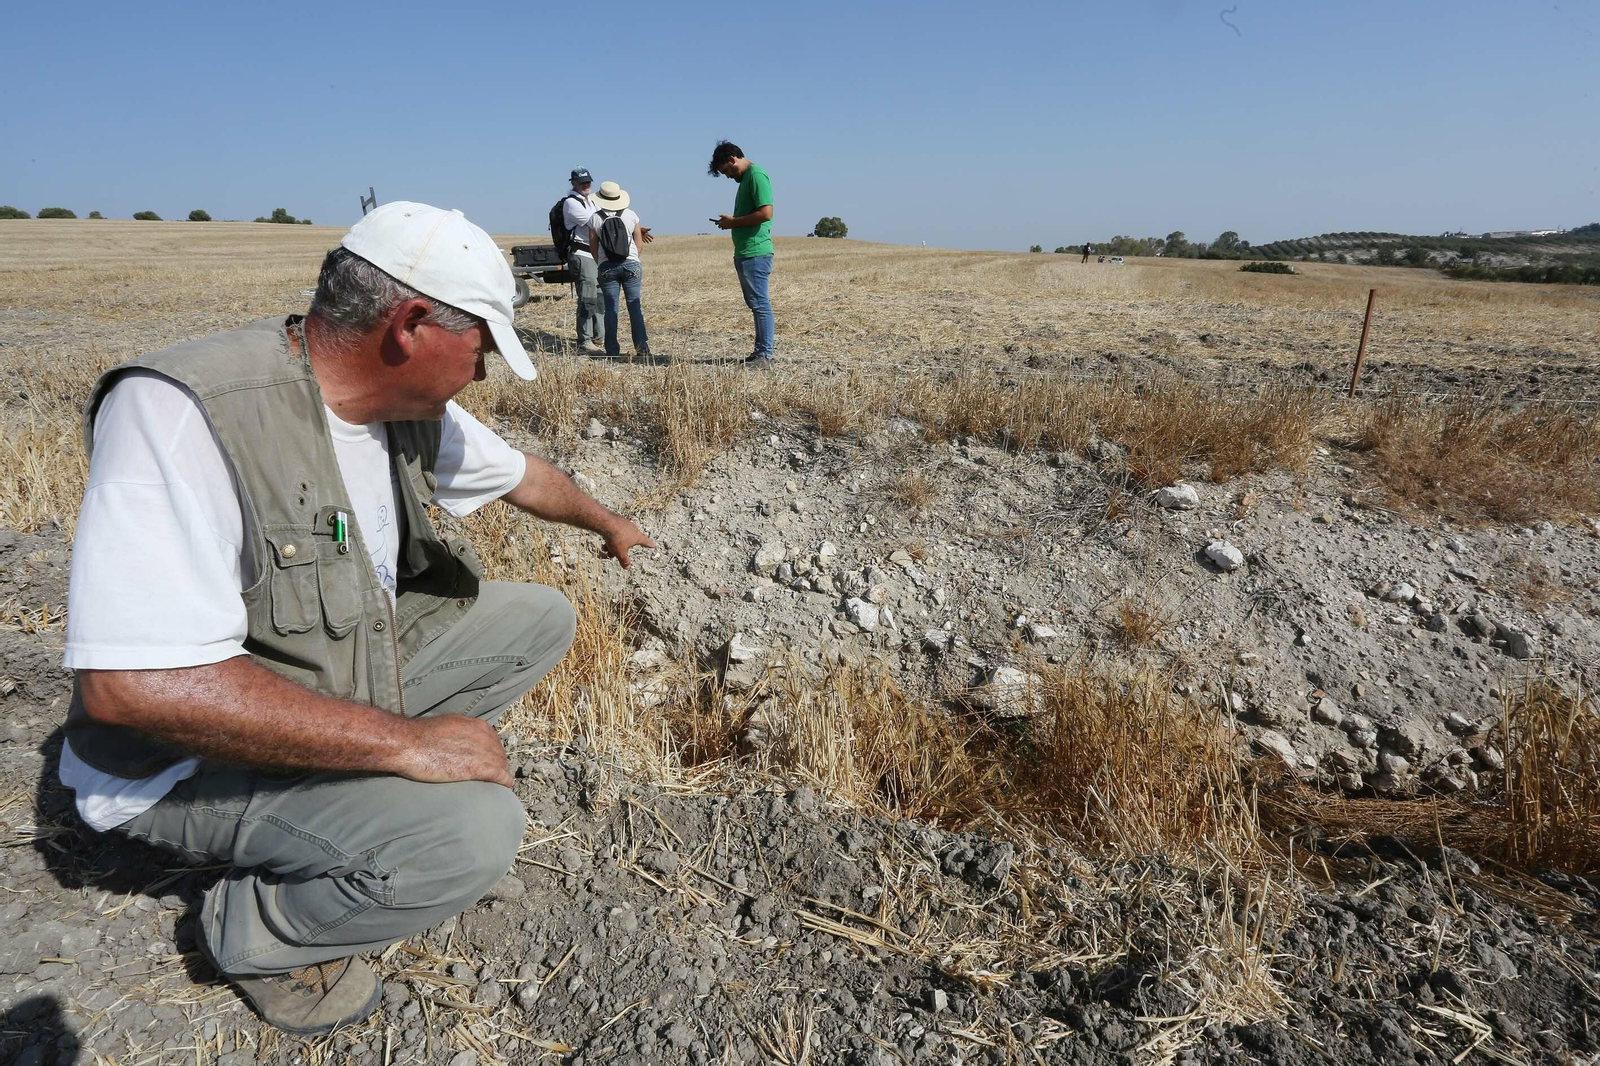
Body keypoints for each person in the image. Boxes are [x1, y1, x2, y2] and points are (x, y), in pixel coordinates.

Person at [58, 201, 657, 1035]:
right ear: (410, 325)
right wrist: (409, 746)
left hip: (310, 681)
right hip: (177, 766)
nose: (481, 374)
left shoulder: (399, 408)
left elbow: (522, 476)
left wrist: (609, 523)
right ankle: (256, 929)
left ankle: (357, 796)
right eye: (480, 348)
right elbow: (134, 690)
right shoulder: (188, 414)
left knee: (539, 618)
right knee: (476, 835)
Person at [707, 140, 775, 369]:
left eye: (726, 170)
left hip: (756, 252)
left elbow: (766, 213)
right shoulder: (746, 179)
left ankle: (765, 356)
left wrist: (734, 222)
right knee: (755, 303)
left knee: (760, 304)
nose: (726, 176)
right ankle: (759, 353)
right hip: (746, 252)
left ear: (732, 159)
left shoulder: (756, 175)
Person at [586, 181, 653, 361]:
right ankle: (641, 347)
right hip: (631, 264)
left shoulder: (594, 218)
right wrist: (632, 258)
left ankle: (612, 349)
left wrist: (602, 263)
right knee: (634, 306)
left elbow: (593, 247)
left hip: (607, 267)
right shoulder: (631, 215)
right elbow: (639, 245)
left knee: (611, 308)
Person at [561, 167, 604, 353]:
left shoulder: (592, 201)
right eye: (582, 182)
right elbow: (596, 222)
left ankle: (600, 336)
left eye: (588, 181)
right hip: (582, 254)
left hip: (596, 255)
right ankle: (584, 341)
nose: (586, 185)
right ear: (573, 182)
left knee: (600, 297)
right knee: (587, 297)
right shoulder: (571, 204)